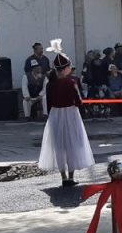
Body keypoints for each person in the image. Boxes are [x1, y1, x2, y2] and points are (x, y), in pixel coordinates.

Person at [37, 40, 95, 187]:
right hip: (70, 114)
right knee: (72, 144)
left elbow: (49, 103)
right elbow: (78, 101)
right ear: (65, 69)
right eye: (69, 66)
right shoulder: (71, 83)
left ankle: (63, 178)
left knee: (60, 146)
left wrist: (51, 116)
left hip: (56, 115)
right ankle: (70, 177)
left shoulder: (50, 84)